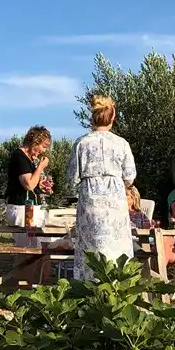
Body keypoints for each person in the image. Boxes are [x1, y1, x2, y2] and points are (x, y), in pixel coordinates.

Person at [68, 94, 137, 282]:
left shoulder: (81, 143)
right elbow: (130, 176)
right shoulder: (121, 144)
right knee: (116, 246)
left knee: (91, 246)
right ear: (113, 117)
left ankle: (89, 290)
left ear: (92, 116)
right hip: (115, 199)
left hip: (90, 199)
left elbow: (72, 177)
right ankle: (117, 287)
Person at [3, 126, 52, 227]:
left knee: (39, 242)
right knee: (26, 242)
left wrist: (43, 186)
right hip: (21, 209)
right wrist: (40, 167)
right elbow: (29, 185)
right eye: (43, 146)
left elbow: (33, 185)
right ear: (35, 142)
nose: (43, 151)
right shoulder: (19, 156)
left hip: (33, 208)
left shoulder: (31, 159)